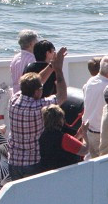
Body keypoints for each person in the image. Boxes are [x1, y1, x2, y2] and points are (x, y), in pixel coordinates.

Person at [8, 47, 68, 179]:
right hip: (33, 163)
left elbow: (36, 81)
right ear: (37, 92)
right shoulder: (39, 107)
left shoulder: (14, 100)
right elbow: (62, 96)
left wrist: (51, 65)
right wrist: (57, 69)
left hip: (13, 162)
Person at [37, 105, 87, 172]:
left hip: (48, 172)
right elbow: (85, 151)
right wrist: (85, 134)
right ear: (59, 120)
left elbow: (65, 146)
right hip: (66, 174)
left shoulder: (43, 135)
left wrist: (79, 135)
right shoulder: (63, 138)